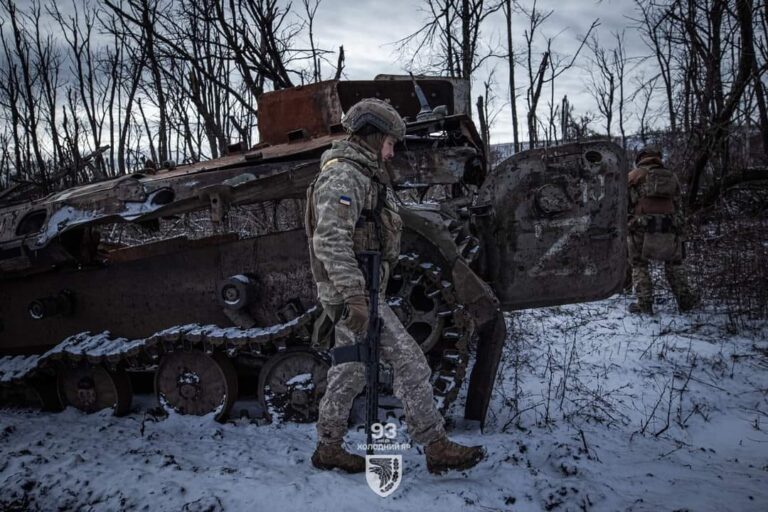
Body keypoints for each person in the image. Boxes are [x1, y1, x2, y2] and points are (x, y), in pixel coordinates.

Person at [305, 98, 485, 474]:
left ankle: (328, 447)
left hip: (360, 292)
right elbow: (330, 241)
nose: (391, 151)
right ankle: (434, 445)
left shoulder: (363, 174)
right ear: (372, 137)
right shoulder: (344, 176)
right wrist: (355, 296)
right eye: (389, 142)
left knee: (350, 370)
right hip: (354, 295)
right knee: (410, 361)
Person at [627, 146, 698, 315]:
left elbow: (624, 202)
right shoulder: (671, 176)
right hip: (669, 226)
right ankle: (685, 301)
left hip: (640, 226)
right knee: (674, 264)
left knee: (639, 265)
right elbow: (678, 204)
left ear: (640, 159)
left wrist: (629, 221)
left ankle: (644, 304)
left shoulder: (634, 175)